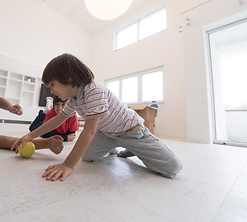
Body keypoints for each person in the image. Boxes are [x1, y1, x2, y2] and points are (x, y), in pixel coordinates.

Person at [12, 53, 182, 181]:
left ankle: (134, 149)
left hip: (131, 131)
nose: (52, 90)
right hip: (108, 134)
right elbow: (57, 119)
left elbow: (89, 132)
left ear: (68, 78)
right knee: (87, 157)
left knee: (172, 168)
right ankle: (114, 148)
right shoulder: (73, 99)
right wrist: (30, 135)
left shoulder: (94, 90)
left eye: (52, 85)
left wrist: (68, 164)